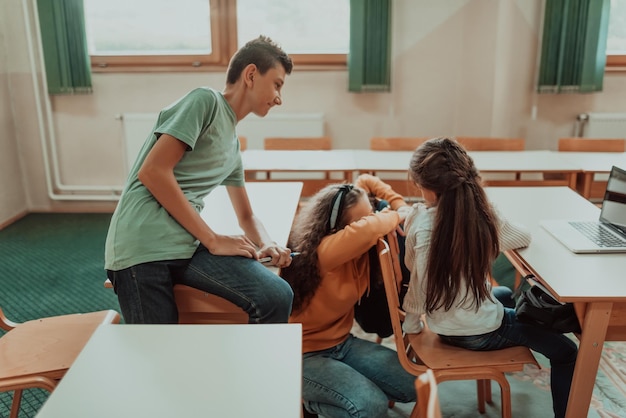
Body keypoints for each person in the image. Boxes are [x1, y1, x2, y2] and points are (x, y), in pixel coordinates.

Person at [104, 35, 295, 324]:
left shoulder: (233, 145)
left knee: (276, 295)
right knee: (159, 355)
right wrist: (213, 239)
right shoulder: (205, 101)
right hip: (141, 246)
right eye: (277, 84)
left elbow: (246, 215)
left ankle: (256, 368)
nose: (280, 98)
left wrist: (267, 243)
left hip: (186, 244)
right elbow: (153, 171)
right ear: (252, 74)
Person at [401, 137, 578, 418]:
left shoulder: (419, 225)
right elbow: (522, 237)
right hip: (477, 332)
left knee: (506, 295)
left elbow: (417, 284)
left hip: (444, 325)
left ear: (424, 187)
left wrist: (411, 325)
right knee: (569, 353)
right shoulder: (483, 214)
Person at [280, 180, 416, 418]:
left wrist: (394, 202)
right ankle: (303, 400)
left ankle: (334, 395)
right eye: (362, 219)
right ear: (337, 230)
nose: (371, 219)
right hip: (302, 354)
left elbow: (363, 180)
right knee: (372, 406)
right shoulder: (325, 252)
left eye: (371, 214)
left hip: (343, 344)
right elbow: (368, 228)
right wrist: (398, 213)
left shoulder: (362, 254)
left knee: (413, 383)